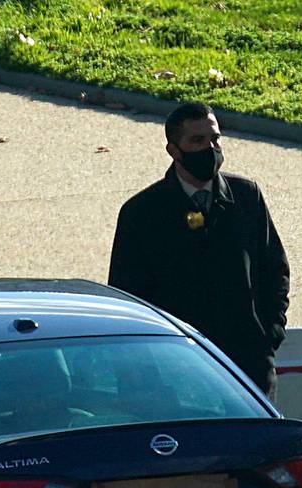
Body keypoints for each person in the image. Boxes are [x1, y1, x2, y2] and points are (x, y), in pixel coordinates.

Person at [108, 103, 291, 395]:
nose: (211, 148)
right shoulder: (142, 214)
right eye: (197, 141)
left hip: (248, 371)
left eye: (215, 139)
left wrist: (267, 338)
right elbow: (129, 300)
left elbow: (275, 272)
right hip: (177, 377)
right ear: (174, 151)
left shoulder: (246, 197)